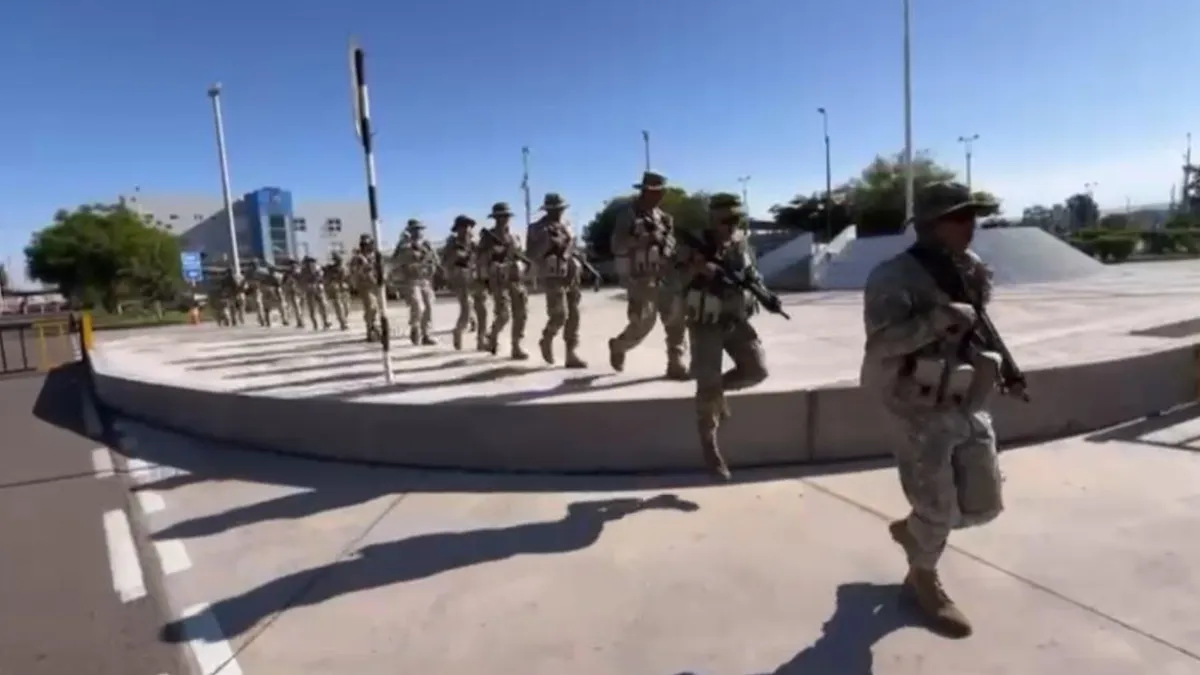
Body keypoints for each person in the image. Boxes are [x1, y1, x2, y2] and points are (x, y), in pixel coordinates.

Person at [860, 181, 1011, 638]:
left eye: (973, 215)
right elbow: (881, 345)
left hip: (967, 395)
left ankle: (914, 532)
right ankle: (923, 579)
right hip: (916, 404)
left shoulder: (974, 268)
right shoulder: (893, 276)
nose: (972, 225)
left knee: (984, 504)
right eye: (959, 217)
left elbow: (979, 326)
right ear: (929, 224)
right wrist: (936, 321)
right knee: (938, 506)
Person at [680, 193, 769, 480]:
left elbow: (753, 274)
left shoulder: (741, 243)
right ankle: (710, 448)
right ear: (712, 220)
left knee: (756, 370)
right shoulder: (693, 245)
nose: (731, 225)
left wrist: (764, 295)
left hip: (736, 319)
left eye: (736, 219)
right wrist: (698, 270)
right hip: (706, 322)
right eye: (725, 220)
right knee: (706, 385)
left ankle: (716, 395)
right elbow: (672, 279)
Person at [608, 171, 689, 380]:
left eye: (661, 192)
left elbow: (671, 243)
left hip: (666, 275)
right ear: (644, 191)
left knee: (676, 320)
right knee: (643, 323)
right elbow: (617, 244)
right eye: (654, 192)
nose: (659, 196)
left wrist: (670, 249)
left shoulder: (664, 218)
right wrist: (642, 238)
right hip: (640, 277)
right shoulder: (627, 215)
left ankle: (676, 361)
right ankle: (619, 346)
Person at [527, 193, 587, 368]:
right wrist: (547, 242)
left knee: (574, 315)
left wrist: (577, 256)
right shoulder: (537, 228)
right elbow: (531, 254)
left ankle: (571, 353)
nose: (558, 212)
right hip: (552, 275)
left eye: (560, 209)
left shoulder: (567, 226)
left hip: (571, 273)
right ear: (547, 210)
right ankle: (547, 338)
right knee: (560, 314)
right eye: (554, 209)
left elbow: (573, 247)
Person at [478, 202, 530, 360]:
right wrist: (487, 274)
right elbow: (480, 259)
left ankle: (516, 346)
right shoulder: (487, 238)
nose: (503, 220)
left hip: (515, 278)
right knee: (504, 314)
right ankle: (492, 336)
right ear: (495, 218)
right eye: (499, 217)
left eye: (505, 216)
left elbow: (520, 254)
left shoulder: (515, 237)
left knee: (521, 313)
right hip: (498, 279)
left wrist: (521, 266)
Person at [441, 215, 488, 350]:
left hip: (475, 279)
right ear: (458, 229)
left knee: (482, 310)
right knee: (466, 311)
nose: (467, 230)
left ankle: (481, 340)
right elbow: (446, 263)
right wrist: (458, 256)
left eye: (469, 227)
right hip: (460, 279)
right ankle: (458, 331)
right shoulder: (452, 245)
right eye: (463, 227)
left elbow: (481, 258)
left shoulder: (474, 244)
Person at [394, 218, 438, 345]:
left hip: (425, 279)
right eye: (415, 229)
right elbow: (396, 261)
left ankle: (426, 334)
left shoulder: (426, 244)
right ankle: (415, 328)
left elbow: (434, 259)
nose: (418, 232)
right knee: (418, 306)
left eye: (419, 229)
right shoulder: (403, 245)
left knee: (429, 307)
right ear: (410, 231)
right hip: (411, 280)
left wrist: (431, 265)